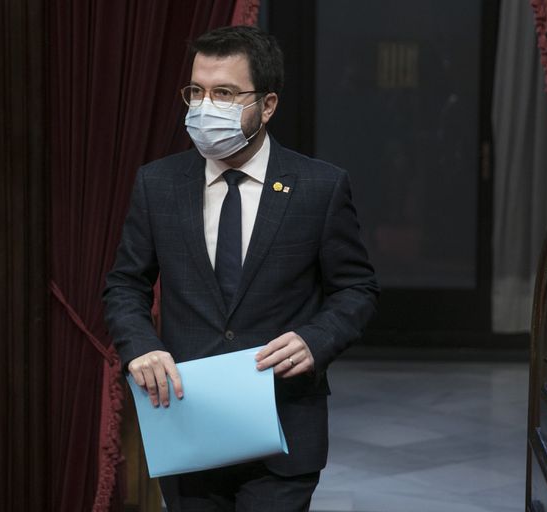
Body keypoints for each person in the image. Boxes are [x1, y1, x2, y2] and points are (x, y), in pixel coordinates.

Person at [103, 25, 379, 512]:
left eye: (225, 93)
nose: (205, 107)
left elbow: (357, 290)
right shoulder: (158, 184)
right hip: (188, 424)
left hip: (284, 427)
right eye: (197, 91)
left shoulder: (320, 187)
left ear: (267, 106)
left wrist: (317, 339)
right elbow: (125, 284)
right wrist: (140, 347)